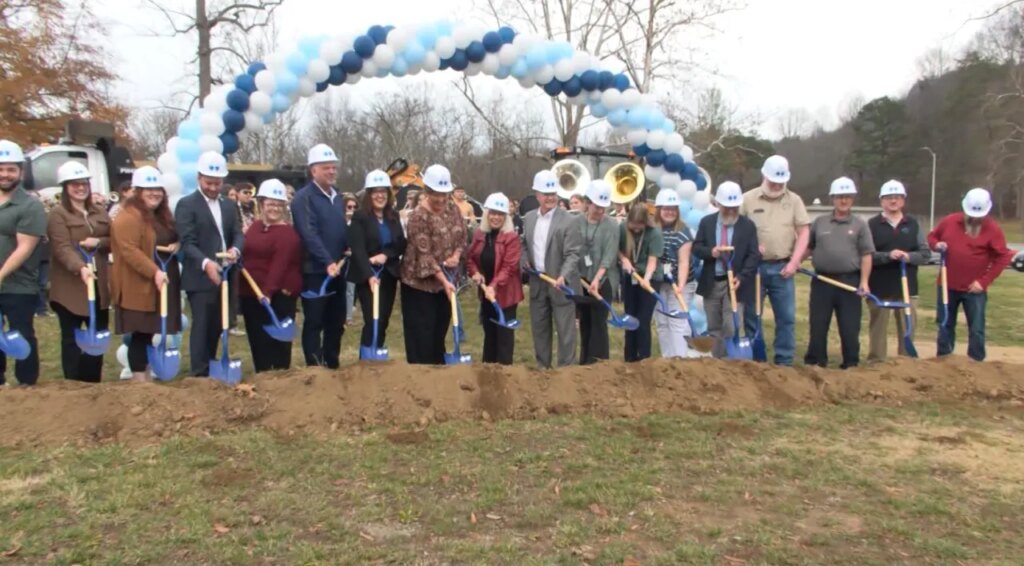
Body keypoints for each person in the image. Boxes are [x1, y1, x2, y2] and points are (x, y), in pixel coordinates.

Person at [174, 151, 245, 377]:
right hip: (200, 276)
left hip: (226, 273)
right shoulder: (187, 205)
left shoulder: (228, 206)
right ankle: (199, 372)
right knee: (202, 326)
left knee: (218, 324)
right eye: (209, 183)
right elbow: (187, 242)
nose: (214, 187)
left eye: (217, 183)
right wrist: (206, 263)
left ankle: (213, 364)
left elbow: (237, 233)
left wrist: (235, 249)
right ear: (198, 178)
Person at [111, 166, 182, 382]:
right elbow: (129, 250)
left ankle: (147, 377)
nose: (155, 194)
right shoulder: (128, 217)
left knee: (151, 332)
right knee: (140, 334)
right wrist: (154, 272)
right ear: (138, 191)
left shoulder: (159, 216)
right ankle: (139, 381)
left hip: (159, 282)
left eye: (158, 189)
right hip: (138, 284)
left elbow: (169, 237)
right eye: (148, 190)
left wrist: (177, 244)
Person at [739, 155, 810, 366]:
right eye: (773, 181)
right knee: (752, 316)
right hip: (755, 269)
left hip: (783, 268)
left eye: (781, 182)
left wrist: (795, 262)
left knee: (786, 318)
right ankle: (756, 359)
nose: (777, 186)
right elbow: (736, 230)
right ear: (764, 175)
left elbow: (804, 232)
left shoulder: (794, 201)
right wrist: (750, 248)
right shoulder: (748, 199)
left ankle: (784, 361)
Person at [929, 188, 1013, 362]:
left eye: (979, 216)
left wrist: (983, 282)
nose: (974, 219)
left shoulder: (993, 229)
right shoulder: (950, 221)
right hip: (947, 284)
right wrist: (937, 245)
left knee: (976, 327)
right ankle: (944, 359)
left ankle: (976, 361)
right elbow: (932, 237)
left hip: (974, 289)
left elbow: (1003, 256)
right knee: (945, 324)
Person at [46, 161, 112, 382]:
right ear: (65, 187)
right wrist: (80, 268)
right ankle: (73, 385)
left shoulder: (99, 211)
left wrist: (99, 241)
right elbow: (61, 247)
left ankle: (93, 382)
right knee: (71, 338)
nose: (80, 188)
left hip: (99, 284)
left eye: (83, 184)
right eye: (74, 184)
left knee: (97, 335)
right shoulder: (58, 214)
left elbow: (114, 239)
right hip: (70, 288)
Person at [803, 177, 874, 369]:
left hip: (849, 282)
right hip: (822, 281)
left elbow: (866, 255)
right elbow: (808, 248)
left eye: (848, 197)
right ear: (832, 198)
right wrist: (793, 263)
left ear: (852, 199)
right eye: (840, 197)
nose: (844, 201)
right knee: (818, 325)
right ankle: (816, 361)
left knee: (849, 327)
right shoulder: (820, 222)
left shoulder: (860, 225)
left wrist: (864, 282)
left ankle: (850, 363)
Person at [400, 164, 466, 364]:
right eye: (435, 194)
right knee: (422, 338)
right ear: (427, 191)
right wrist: (445, 282)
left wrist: (456, 254)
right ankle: (421, 381)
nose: (440, 199)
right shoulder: (418, 217)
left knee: (439, 335)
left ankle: (438, 380)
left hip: (444, 284)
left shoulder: (453, 209)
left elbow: (462, 235)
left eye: (444, 194)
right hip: (419, 286)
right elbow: (425, 256)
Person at [292, 143, 348, 368]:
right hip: (315, 270)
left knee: (337, 321)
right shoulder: (303, 198)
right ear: (313, 170)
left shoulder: (338, 197)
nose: (332, 172)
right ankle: (314, 367)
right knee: (315, 321)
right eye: (326, 168)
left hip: (339, 268)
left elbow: (340, 229)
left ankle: (332, 363)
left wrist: (347, 249)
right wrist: (327, 261)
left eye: (334, 168)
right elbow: (309, 233)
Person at [239, 179, 302, 372]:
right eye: (270, 203)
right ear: (261, 203)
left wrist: (268, 291)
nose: (274, 208)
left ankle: (280, 376)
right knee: (258, 338)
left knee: (278, 342)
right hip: (251, 293)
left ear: (284, 206)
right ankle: (263, 373)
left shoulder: (287, 234)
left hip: (279, 294)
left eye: (278, 204)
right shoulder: (255, 227)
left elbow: (279, 265)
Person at [693, 182, 761, 359]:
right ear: (717, 204)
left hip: (735, 283)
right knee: (714, 326)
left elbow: (753, 255)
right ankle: (718, 363)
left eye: (734, 207)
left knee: (731, 325)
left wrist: (741, 276)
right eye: (727, 207)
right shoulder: (707, 223)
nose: (731, 211)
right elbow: (697, 248)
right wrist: (711, 252)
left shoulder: (747, 226)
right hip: (712, 282)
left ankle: (731, 362)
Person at [522, 169, 582, 368]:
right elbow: (524, 244)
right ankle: (542, 369)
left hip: (560, 284)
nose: (550, 198)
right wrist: (524, 260)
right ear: (537, 195)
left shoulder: (569, 221)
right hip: (538, 282)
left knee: (566, 331)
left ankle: (566, 372)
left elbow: (573, 254)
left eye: (553, 194)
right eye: (546, 194)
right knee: (540, 328)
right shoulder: (529, 218)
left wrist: (563, 276)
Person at [867, 180, 931, 362]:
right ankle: (876, 364)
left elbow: (925, 254)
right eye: (888, 198)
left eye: (897, 197)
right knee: (878, 330)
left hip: (907, 288)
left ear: (903, 200)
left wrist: (909, 257)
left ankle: (906, 364)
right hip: (879, 287)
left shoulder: (913, 224)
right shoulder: (872, 225)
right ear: (881, 201)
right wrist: (888, 256)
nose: (893, 201)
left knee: (907, 328)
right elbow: (867, 255)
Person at [0, 140, 47, 386]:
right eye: (1, 168)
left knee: (21, 333)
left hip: (18, 285)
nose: (5, 174)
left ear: (20, 171)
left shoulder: (30, 205)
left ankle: (27, 384)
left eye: (10, 169)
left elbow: (25, 247)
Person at [348, 170, 406, 360]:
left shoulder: (393, 216)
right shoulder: (360, 217)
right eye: (375, 191)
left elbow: (400, 244)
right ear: (369, 194)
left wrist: (385, 255)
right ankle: (366, 358)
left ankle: (378, 352)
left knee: (383, 320)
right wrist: (369, 274)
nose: (380, 195)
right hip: (367, 275)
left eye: (384, 191)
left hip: (387, 274)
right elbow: (357, 248)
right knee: (373, 318)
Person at [467, 192, 523, 364]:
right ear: (486, 214)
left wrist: (494, 286)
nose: (496, 217)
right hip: (486, 294)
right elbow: (470, 258)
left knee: (504, 339)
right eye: (492, 213)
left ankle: (505, 375)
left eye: (500, 214)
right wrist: (475, 272)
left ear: (506, 216)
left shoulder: (511, 238)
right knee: (489, 336)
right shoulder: (479, 235)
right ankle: (488, 373)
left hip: (506, 296)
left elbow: (509, 267)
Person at [575, 180, 618, 365]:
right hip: (582, 280)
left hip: (603, 280)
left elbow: (609, 255)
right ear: (587, 203)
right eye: (597, 206)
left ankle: (599, 363)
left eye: (603, 208)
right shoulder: (575, 222)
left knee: (598, 323)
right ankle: (584, 363)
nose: (600, 211)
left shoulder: (611, 226)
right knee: (585, 322)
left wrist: (597, 280)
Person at [617, 204, 663, 362]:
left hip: (649, 278)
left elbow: (653, 259)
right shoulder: (623, 229)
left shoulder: (654, 233)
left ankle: (644, 359)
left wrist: (647, 278)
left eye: (640, 226)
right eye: (633, 225)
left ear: (645, 223)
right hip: (630, 277)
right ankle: (629, 358)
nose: (636, 229)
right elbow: (617, 249)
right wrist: (624, 260)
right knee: (630, 319)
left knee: (643, 320)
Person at [654, 189, 696, 358]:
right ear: (659, 209)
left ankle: (680, 360)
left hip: (681, 281)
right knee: (662, 322)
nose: (669, 212)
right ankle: (667, 359)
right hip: (660, 281)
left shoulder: (683, 231)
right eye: (666, 208)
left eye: (673, 209)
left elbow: (684, 261)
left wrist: (680, 285)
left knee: (677, 321)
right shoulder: (653, 229)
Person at [343, 193, 358, 327]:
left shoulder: (358, 224)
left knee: (350, 290)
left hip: (353, 260)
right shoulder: (340, 223)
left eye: (354, 207)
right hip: (340, 260)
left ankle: (348, 317)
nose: (352, 210)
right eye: (349, 207)